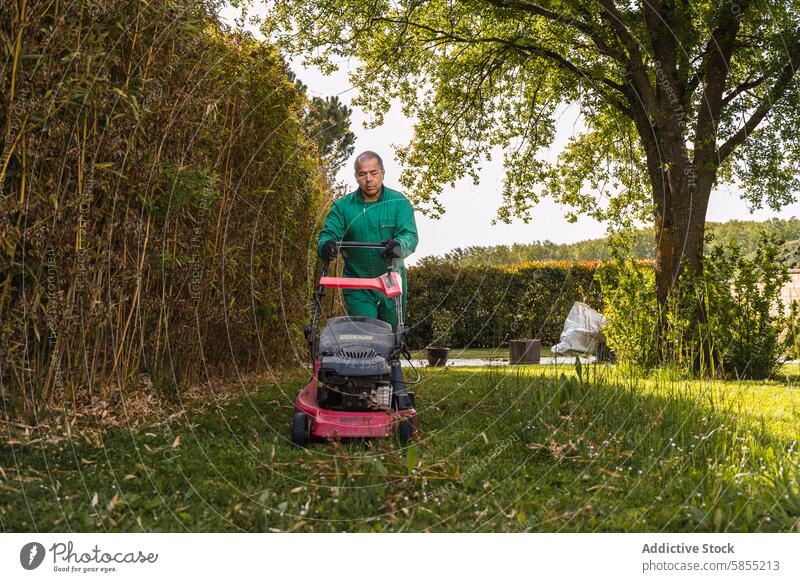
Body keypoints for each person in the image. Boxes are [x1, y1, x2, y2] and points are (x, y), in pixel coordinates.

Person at [317, 151, 418, 332]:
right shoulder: (342, 207)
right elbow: (328, 234)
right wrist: (327, 245)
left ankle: (391, 359)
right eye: (363, 174)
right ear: (356, 176)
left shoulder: (399, 202)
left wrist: (398, 246)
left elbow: (410, 236)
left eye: (374, 173)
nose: (369, 179)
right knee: (366, 334)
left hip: (391, 281)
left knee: (392, 336)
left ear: (383, 173)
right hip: (358, 283)